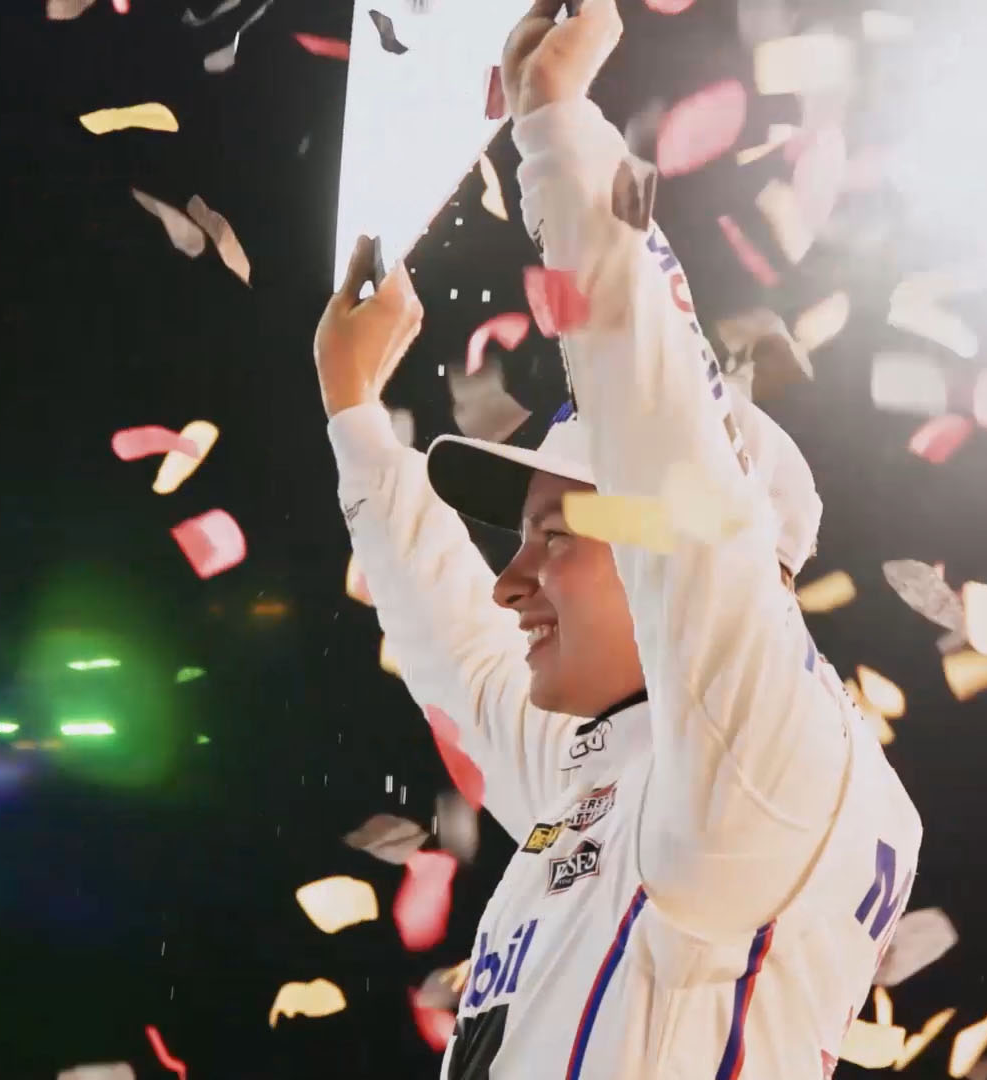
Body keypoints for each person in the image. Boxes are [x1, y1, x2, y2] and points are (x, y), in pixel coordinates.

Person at [312, 0, 921, 1074]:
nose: (512, 584)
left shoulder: (766, 757)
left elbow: (671, 460)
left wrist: (559, 133)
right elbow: (461, 652)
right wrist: (357, 414)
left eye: (559, 536)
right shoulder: (615, 774)